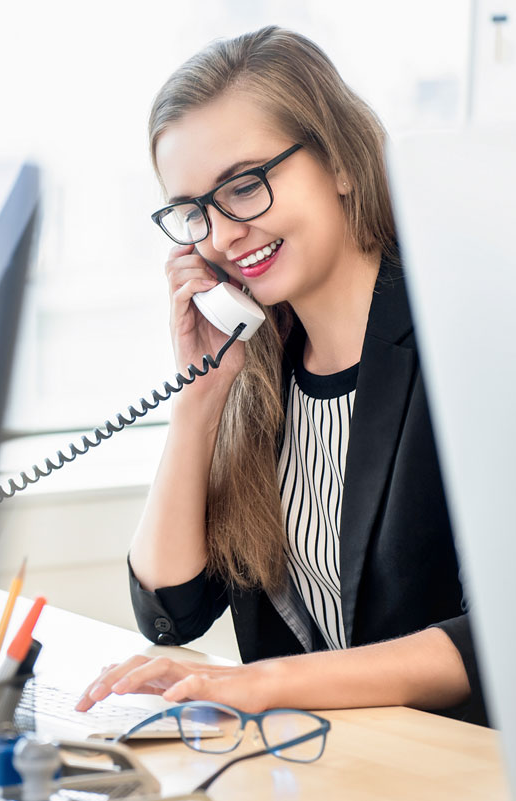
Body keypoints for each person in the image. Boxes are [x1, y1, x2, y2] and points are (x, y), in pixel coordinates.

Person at [75, 26, 487, 726]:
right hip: (323, 768)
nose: (222, 234)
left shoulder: (467, 338)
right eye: (193, 211)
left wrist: (267, 682)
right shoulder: (262, 372)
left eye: (244, 185)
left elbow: (496, 640)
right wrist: (199, 401)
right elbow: (169, 610)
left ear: (340, 163)